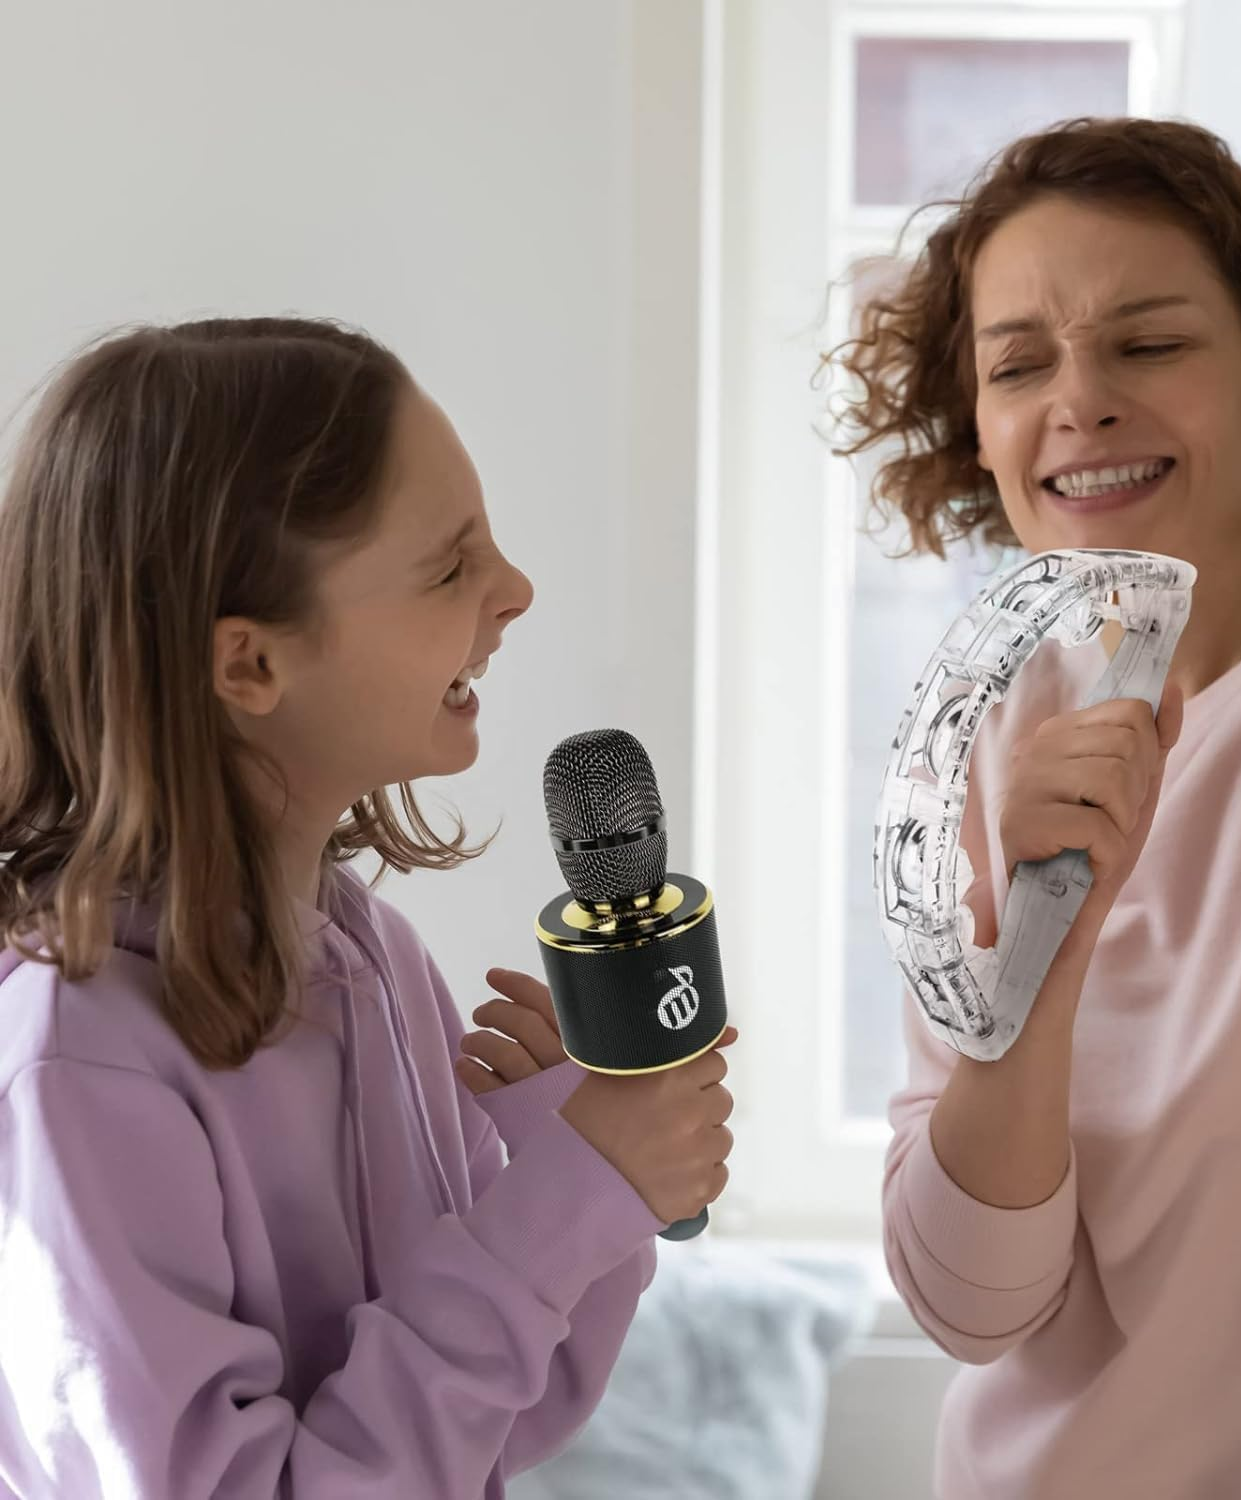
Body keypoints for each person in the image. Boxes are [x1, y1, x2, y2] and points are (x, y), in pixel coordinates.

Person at [829, 116, 1241, 1498]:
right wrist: (1039, 954)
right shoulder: (985, 737)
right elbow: (974, 1304)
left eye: (1146, 344)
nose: (1078, 403)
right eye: (1019, 365)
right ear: (981, 427)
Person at [0, 318, 736, 1498]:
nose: (515, 591)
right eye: (451, 567)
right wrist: (552, 1210)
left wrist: (584, 1176)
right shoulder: (80, 1058)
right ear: (248, 667)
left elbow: (497, 1427)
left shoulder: (372, 956)